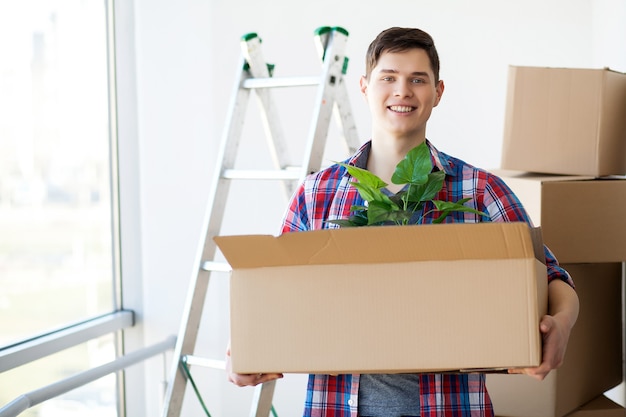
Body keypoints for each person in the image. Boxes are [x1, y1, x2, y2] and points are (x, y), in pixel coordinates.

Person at [226, 26, 579, 417]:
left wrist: (560, 326)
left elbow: (551, 277)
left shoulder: (478, 191)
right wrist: (244, 351)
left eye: (417, 80)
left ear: (438, 92)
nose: (402, 91)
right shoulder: (317, 194)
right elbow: (274, 293)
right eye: (388, 78)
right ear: (363, 86)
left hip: (449, 407)